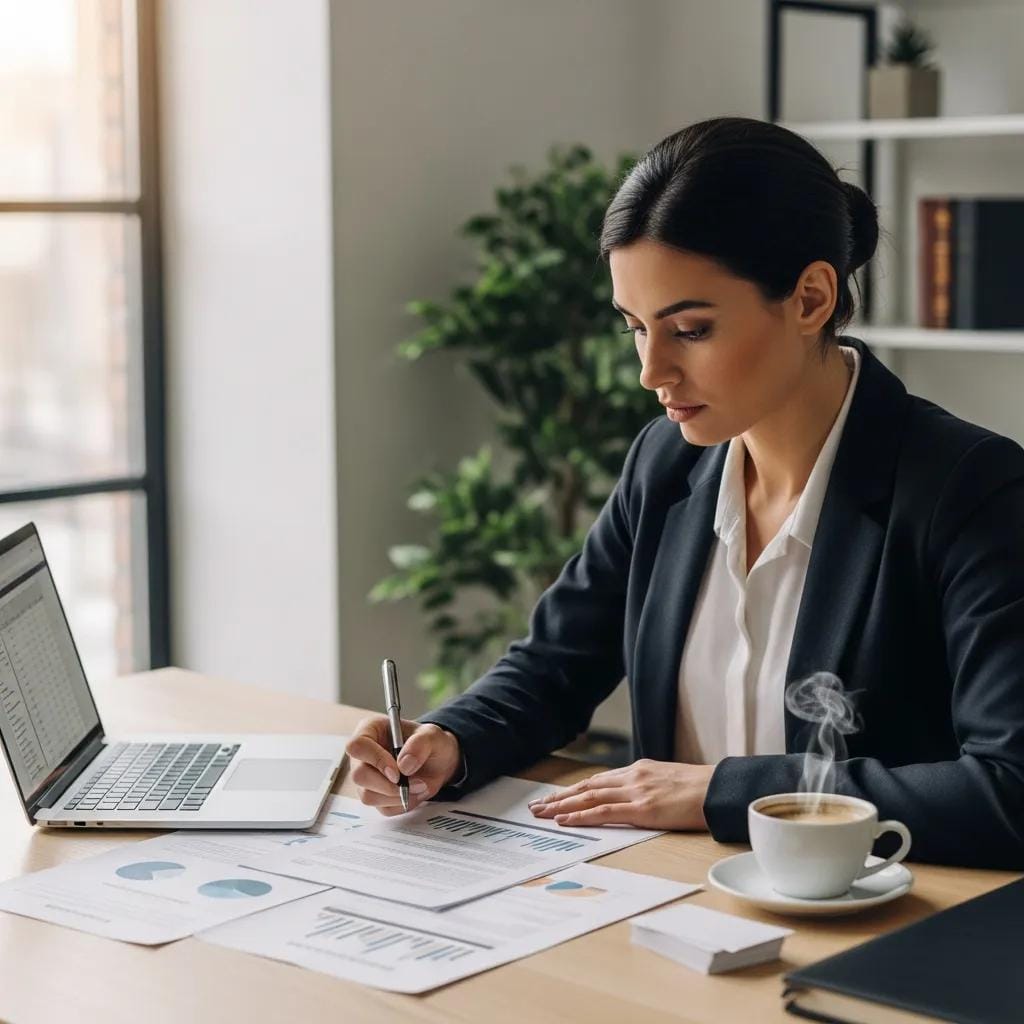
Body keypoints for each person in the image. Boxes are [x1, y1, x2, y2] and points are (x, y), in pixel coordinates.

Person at [345, 116, 1024, 869]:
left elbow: (1008, 789)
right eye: (636, 327)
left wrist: (719, 794)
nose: (651, 371)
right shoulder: (666, 464)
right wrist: (451, 740)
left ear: (810, 299)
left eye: (691, 330)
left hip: (875, 930)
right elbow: (555, 666)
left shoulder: (970, 491)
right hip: (675, 905)